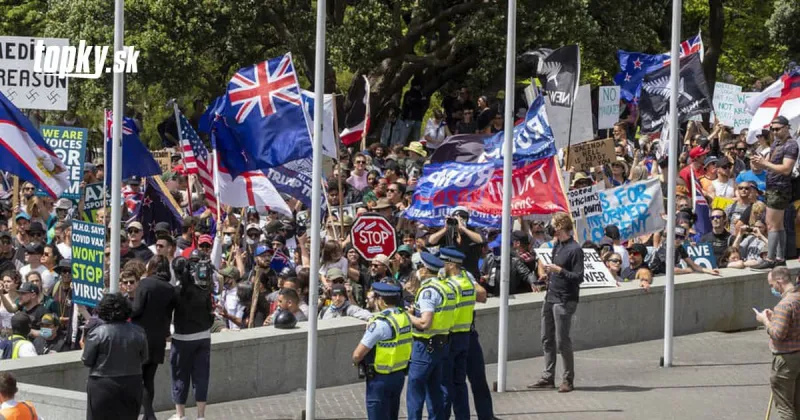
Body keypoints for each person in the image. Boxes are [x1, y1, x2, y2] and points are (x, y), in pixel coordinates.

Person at [529, 212, 583, 393]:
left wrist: (559, 270)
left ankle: (568, 379)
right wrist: (547, 274)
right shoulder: (557, 246)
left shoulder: (574, 249)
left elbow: (578, 276)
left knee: (562, 341)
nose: (551, 228)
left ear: (560, 226)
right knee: (546, 338)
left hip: (565, 299)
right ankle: (548, 376)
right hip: (551, 297)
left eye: (553, 225)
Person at [82, 293, 148, 420]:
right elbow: (144, 358)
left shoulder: (97, 333)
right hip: (132, 382)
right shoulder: (139, 332)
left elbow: (87, 360)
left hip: (102, 384)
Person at [406, 252, 455, 420]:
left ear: (425, 270)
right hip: (442, 344)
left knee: (415, 391)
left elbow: (424, 322)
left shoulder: (428, 291)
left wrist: (408, 316)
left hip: (425, 345)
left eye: (420, 268)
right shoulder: (447, 287)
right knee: (434, 391)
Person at [351, 282, 412, 420]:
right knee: (392, 414)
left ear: (382, 301)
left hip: (379, 379)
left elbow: (357, 354)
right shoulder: (404, 317)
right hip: (398, 374)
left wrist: (356, 362)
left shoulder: (380, 324)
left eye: (374, 297)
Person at [440, 247, 488, 420]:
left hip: (459, 335)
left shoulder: (458, 278)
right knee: (454, 384)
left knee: (465, 381)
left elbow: (482, 295)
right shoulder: (453, 276)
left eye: (444, 261)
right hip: (457, 334)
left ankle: (485, 415)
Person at [131, 256, 177, 420]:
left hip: (141, 336)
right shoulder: (170, 289)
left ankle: (148, 414)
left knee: (138, 377)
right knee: (149, 378)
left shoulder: (145, 284)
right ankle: (148, 415)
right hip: (158, 338)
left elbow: (136, 309)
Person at [170, 255, 215, 420]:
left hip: (182, 338)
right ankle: (201, 415)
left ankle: (180, 414)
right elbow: (210, 314)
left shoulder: (175, 292)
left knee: (179, 375)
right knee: (201, 376)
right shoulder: (202, 290)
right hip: (203, 336)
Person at [751, 116, 798, 269]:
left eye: (778, 129)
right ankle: (779, 257)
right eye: (772, 129)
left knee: (771, 225)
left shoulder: (791, 145)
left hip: (780, 188)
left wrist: (765, 163)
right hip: (772, 186)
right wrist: (760, 163)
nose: (775, 132)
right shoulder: (776, 143)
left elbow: (786, 169)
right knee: (778, 225)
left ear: (786, 127)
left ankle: (770, 258)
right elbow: (771, 165)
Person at [754, 267, 800, 418]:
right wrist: (776, 318)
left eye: (772, 284)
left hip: (785, 359)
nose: (772, 288)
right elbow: (793, 324)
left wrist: (765, 321)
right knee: (797, 402)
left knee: (785, 406)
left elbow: (778, 334)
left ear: (779, 282)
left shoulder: (784, 304)